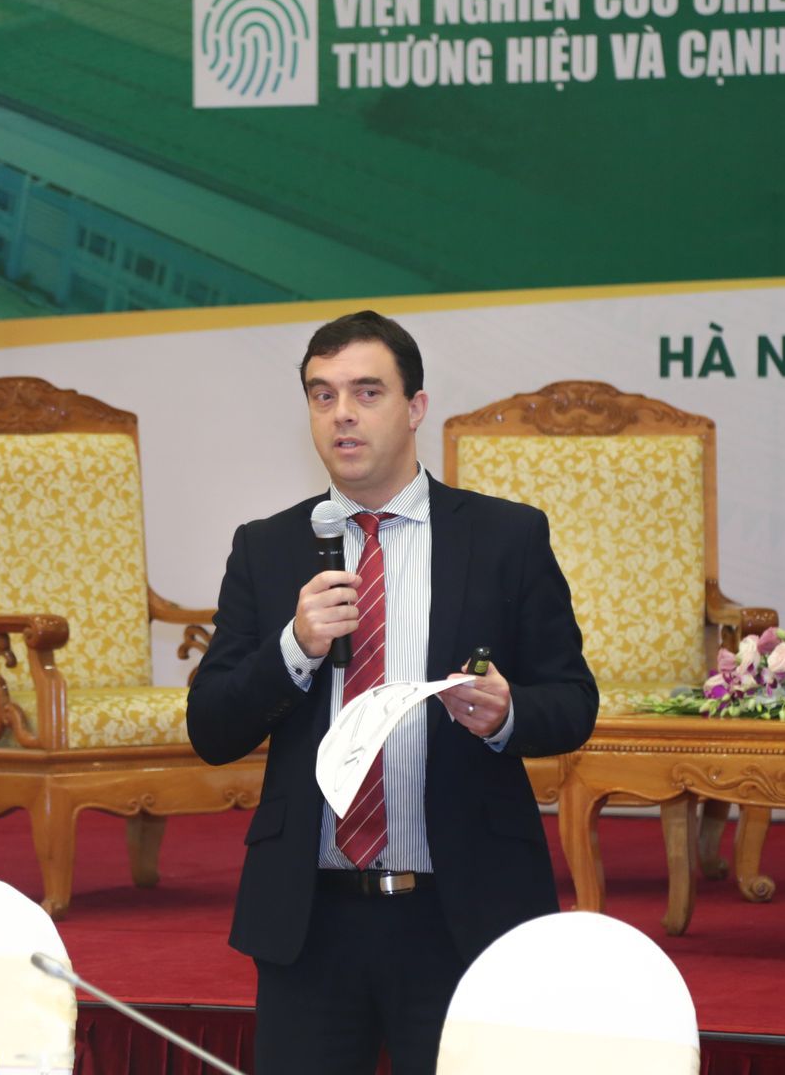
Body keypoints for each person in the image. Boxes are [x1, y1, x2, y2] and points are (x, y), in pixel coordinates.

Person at [186, 310, 598, 1075]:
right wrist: (294, 647)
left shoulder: (505, 538)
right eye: (322, 395)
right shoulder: (268, 548)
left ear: (415, 408)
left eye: (367, 392)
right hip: (309, 920)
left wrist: (506, 714)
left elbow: (573, 701)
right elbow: (210, 728)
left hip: (459, 913)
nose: (342, 413)